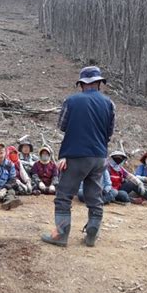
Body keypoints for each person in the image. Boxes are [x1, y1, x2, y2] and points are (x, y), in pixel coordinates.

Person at [41, 66, 115, 247]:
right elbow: (110, 131)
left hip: (76, 155)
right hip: (99, 157)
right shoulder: (109, 104)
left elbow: (62, 125)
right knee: (94, 196)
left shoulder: (71, 101)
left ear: (82, 84)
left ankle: (61, 235)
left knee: (64, 196)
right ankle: (92, 234)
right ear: (98, 83)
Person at [0, 143, 23, 210]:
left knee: (11, 191)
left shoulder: (10, 164)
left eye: (2, 149)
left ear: (5, 152)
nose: (1, 150)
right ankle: (9, 200)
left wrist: (5, 188)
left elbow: (12, 179)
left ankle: (7, 201)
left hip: (6, 188)